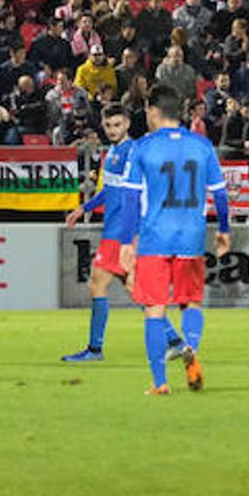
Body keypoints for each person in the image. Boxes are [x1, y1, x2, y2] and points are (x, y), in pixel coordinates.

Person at [116, 85, 231, 395]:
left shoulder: (142, 147)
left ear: (153, 111)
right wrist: (224, 230)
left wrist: (127, 242)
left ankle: (160, 383)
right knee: (190, 301)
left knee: (154, 308)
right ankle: (190, 346)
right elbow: (220, 193)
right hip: (191, 236)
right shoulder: (203, 145)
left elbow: (130, 197)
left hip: (155, 237)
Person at [62, 106, 143, 362]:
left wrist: (133, 235)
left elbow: (134, 195)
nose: (112, 130)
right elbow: (110, 191)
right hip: (115, 228)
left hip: (121, 231)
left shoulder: (132, 152)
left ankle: (95, 349)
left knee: (97, 285)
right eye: (108, 125)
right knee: (134, 288)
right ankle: (175, 340)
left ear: (127, 124)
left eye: (117, 125)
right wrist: (82, 208)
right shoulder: (113, 153)